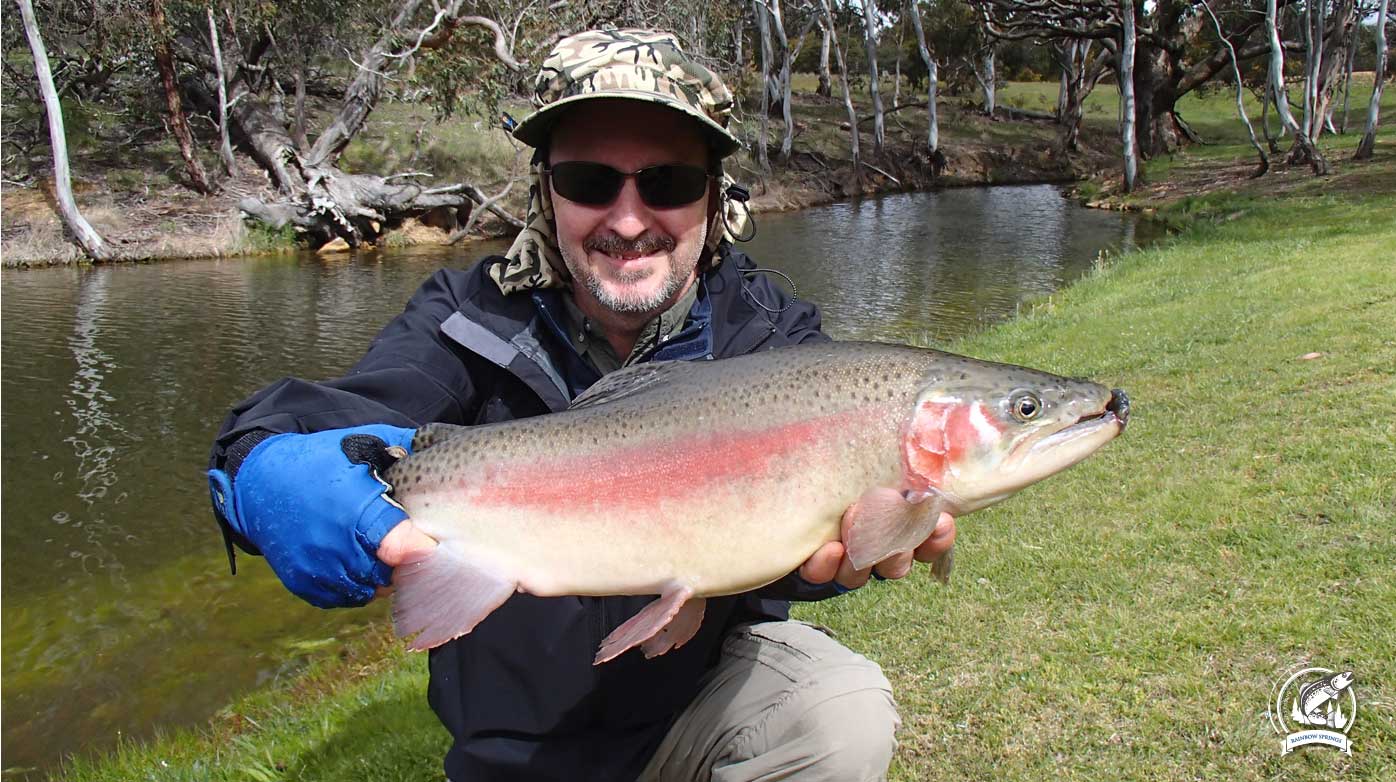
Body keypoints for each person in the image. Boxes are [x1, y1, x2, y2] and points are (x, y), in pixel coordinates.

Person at [206, 29, 956, 782]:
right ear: (545, 192)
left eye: (666, 183)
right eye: (591, 182)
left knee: (839, 712)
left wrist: (834, 553)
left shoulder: (771, 338)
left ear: (716, 196)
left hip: (694, 707)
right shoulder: (467, 319)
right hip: (517, 754)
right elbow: (309, 427)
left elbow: (799, 551)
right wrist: (263, 473)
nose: (628, 221)